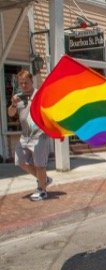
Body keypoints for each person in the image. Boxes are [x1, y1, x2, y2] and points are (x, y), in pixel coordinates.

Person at [7, 70, 52, 201]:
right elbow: (10, 114)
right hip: (25, 136)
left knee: (39, 165)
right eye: (21, 83)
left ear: (32, 81)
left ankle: (43, 190)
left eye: (26, 82)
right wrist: (13, 104)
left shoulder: (39, 94)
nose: (24, 85)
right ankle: (44, 179)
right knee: (20, 160)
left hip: (39, 134)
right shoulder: (18, 97)